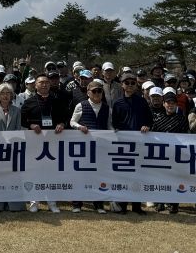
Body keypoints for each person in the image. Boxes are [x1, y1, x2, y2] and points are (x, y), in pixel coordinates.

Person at [21, 74, 68, 213]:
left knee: (51, 172)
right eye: (41, 82)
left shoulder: (57, 100)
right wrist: (31, 125)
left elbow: (65, 117)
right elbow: (22, 120)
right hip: (35, 142)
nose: (44, 84)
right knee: (34, 172)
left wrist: (61, 124)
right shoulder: (29, 102)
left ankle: (51, 202)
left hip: (53, 142)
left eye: (47, 82)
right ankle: (34, 201)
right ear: (35, 85)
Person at [111, 72, 153, 215]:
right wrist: (117, 129)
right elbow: (115, 122)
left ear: (136, 85)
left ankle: (136, 206)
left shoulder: (142, 101)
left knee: (138, 175)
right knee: (124, 175)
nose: (130, 85)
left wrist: (147, 126)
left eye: (132, 83)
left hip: (139, 143)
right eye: (127, 83)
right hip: (123, 144)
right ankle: (122, 205)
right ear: (122, 85)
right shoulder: (117, 103)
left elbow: (149, 120)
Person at [69, 79, 109, 214]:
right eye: (94, 91)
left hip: (100, 147)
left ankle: (99, 204)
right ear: (88, 92)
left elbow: (109, 125)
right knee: (80, 175)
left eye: (100, 91)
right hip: (83, 146)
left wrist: (114, 131)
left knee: (98, 175)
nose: (97, 93)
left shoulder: (106, 107)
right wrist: (80, 127)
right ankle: (76, 204)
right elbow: (72, 122)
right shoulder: (81, 105)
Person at [151, 92, 189, 214]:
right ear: (164, 104)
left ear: (176, 105)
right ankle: (160, 202)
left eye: (173, 103)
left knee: (175, 179)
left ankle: (174, 204)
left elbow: (186, 137)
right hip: (161, 155)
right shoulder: (158, 119)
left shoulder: (182, 119)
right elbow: (152, 136)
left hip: (176, 155)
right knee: (160, 179)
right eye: (168, 103)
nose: (170, 105)